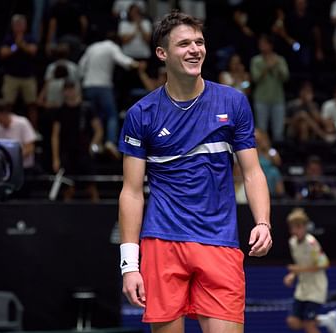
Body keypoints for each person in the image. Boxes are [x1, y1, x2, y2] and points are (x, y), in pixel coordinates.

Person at [118, 11, 272, 333]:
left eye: (199, 42)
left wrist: (263, 222)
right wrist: (129, 265)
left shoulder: (233, 103)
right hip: (162, 242)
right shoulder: (141, 114)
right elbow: (131, 191)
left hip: (220, 242)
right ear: (162, 54)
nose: (195, 50)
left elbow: (253, 172)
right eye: (184, 43)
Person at [79, 32, 139, 160]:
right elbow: (124, 60)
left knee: (96, 116)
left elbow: (81, 67)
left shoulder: (92, 47)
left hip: (87, 86)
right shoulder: (111, 47)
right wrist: (136, 64)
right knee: (111, 114)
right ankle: (110, 142)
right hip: (103, 86)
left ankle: (96, 144)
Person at [284, 208, 336, 333]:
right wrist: (292, 275)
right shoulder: (292, 242)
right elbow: (299, 263)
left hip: (316, 288)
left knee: (309, 325)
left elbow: (325, 264)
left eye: (298, 227)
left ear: (305, 227)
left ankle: (326, 320)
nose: (296, 230)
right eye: (293, 227)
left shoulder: (312, 243)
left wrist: (298, 269)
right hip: (302, 289)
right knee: (293, 322)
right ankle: (327, 320)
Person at [51, 81, 103, 202]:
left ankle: (99, 215)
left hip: (84, 153)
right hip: (67, 153)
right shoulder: (60, 110)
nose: (70, 92)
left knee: (91, 187)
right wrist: (56, 158)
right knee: (68, 188)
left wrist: (93, 145)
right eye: (67, 90)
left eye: (72, 89)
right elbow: (55, 135)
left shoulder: (87, 108)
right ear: (63, 92)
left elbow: (99, 130)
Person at [0, 14, 39, 130]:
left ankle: (33, 130)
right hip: (11, 76)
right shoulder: (8, 39)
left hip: (28, 76)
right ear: (12, 26)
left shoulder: (30, 38)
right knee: (7, 104)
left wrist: (22, 45)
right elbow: (3, 53)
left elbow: (33, 51)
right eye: (17, 25)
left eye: (21, 24)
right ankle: (6, 128)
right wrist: (15, 46)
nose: (19, 27)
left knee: (32, 105)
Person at [250, 34, 290, 143]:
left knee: (278, 131)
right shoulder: (256, 61)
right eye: (260, 44)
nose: (262, 46)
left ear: (271, 45)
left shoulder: (280, 60)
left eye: (264, 43)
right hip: (261, 99)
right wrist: (268, 67)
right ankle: (263, 155)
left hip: (277, 99)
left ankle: (278, 154)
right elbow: (255, 78)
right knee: (261, 129)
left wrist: (276, 66)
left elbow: (286, 77)